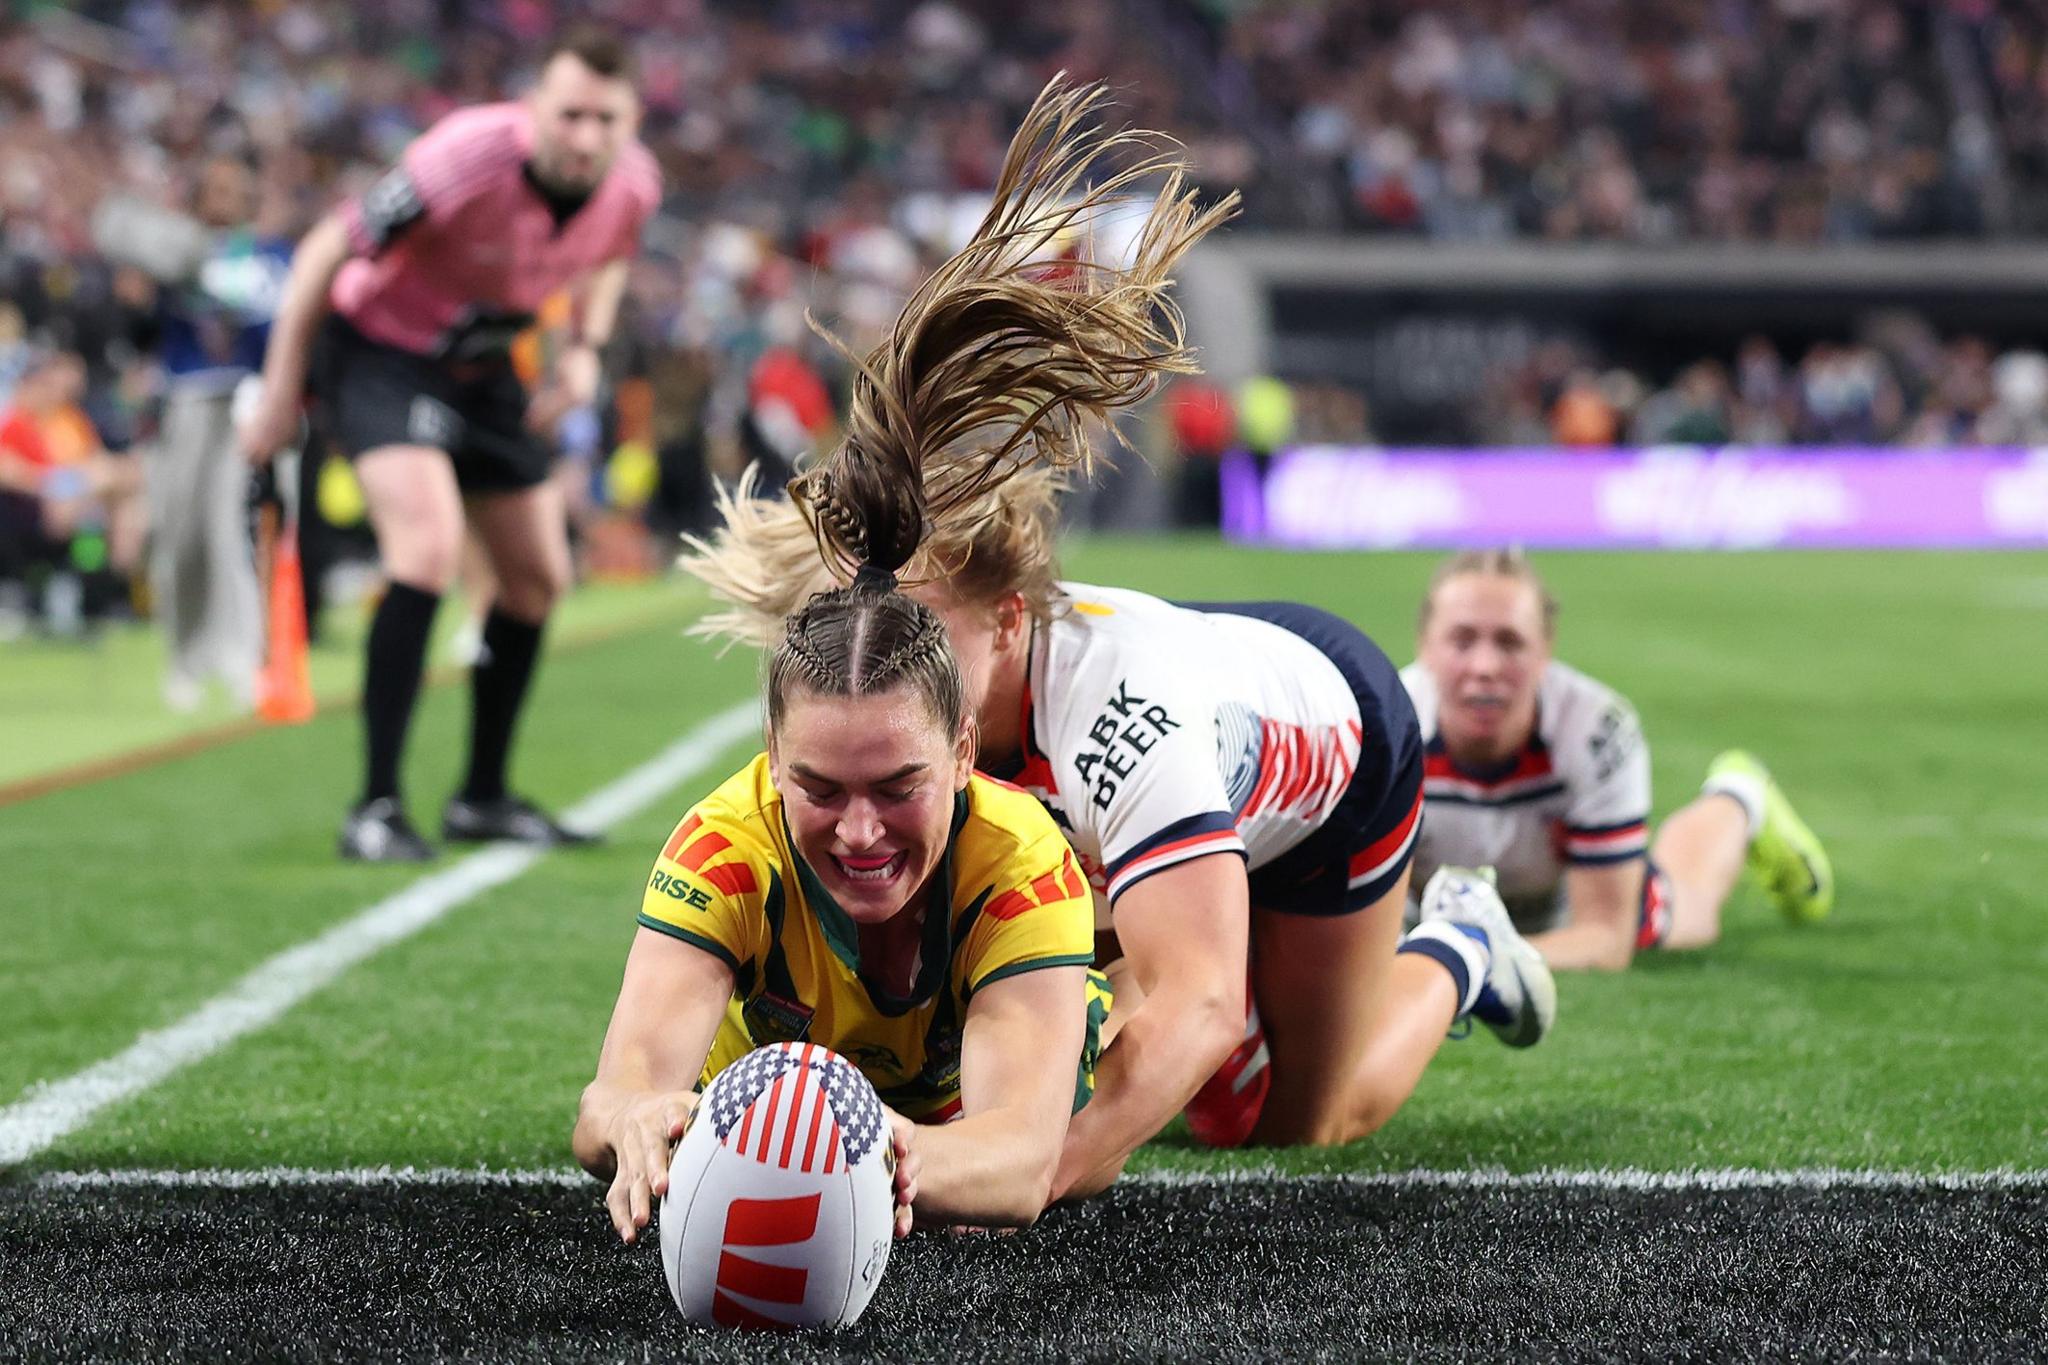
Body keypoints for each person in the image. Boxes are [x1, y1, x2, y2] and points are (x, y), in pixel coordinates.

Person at [680, 78, 1557, 1195]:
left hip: (1334, 755)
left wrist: (1038, 1176)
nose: (894, 652)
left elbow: (1190, 1003)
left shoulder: (1117, 720)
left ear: (1007, 618)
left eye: (928, 633)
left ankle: (1459, 944)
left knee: (1291, 1126)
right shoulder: (901, 696)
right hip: (1179, 736)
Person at [572, 573, 1107, 1243]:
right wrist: (638, 1122)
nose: (859, 832)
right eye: (819, 789)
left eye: (897, 787)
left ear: (964, 751)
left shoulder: (1022, 862)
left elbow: (1019, 1164)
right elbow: (615, 1095)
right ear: (773, 756)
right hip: (752, 1130)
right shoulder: (723, 848)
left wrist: (830, 1152)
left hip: (929, 1129)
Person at [240, 26, 660, 861]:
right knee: (426, 549)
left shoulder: (633, 186)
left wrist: (583, 348)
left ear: (631, 121)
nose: (586, 136)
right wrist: (284, 389)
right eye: (570, 113)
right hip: (379, 351)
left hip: (487, 360)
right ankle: (376, 806)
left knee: (539, 578)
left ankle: (482, 796)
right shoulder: (466, 155)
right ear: (533, 106)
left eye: (606, 120)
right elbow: (328, 245)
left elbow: (609, 256)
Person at [1401, 549, 1835, 970]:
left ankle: (1739, 797)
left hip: (1566, 898)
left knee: (1692, 915)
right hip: (1432, 908)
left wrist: (1470, 961)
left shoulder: (1597, 730)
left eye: (1510, 642)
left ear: (1545, 651)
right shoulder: (1383, 733)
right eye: (1462, 640)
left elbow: (1607, 940)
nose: (1485, 666)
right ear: (1425, 646)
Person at [133, 152, 293, 711]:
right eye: (214, 187)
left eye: (234, 188)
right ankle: (184, 657)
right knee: (179, 533)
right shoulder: (177, 252)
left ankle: (244, 654)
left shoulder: (270, 255)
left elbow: (285, 328)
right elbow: (142, 333)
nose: (224, 198)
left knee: (235, 531)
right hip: (189, 395)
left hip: (247, 399)